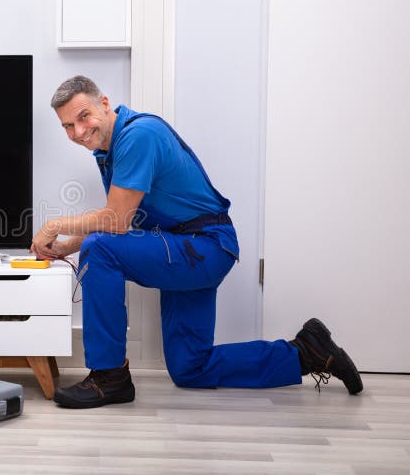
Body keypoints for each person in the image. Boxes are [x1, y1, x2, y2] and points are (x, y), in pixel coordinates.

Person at [30, 75, 362, 409]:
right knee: (191, 367)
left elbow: (114, 221)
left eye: (83, 116)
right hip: (184, 247)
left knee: (99, 248)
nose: (77, 132)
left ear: (104, 104)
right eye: (68, 126)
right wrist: (62, 248)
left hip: (203, 247)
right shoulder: (110, 149)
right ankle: (306, 353)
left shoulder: (137, 136)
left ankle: (109, 376)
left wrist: (55, 225)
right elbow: (117, 219)